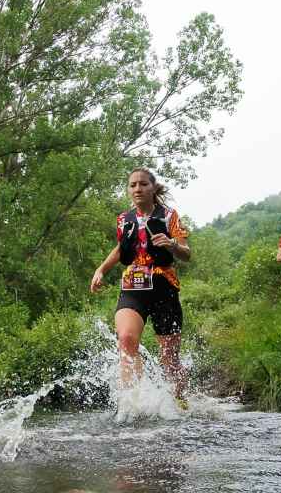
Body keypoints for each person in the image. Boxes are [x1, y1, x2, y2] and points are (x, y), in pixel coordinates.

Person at [90, 168, 191, 407]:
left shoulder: (169, 216)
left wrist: (172, 244)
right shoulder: (124, 220)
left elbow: (186, 254)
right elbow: (121, 249)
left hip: (164, 287)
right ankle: (132, 404)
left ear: (153, 188)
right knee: (126, 339)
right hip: (133, 287)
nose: (137, 189)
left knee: (169, 358)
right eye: (133, 185)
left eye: (143, 184)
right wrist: (101, 269)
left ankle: (180, 402)